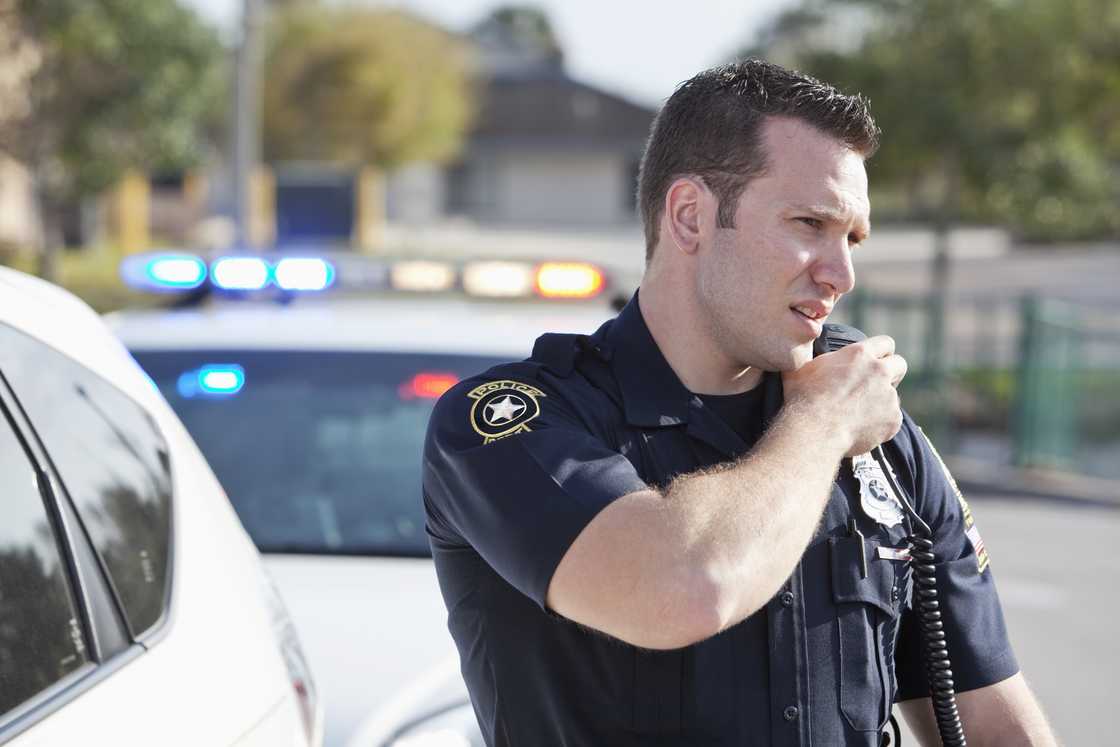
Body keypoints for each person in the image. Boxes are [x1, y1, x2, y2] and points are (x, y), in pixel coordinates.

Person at [422, 59, 1056, 746]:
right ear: (690, 216)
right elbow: (684, 586)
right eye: (809, 223)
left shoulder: (881, 441)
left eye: (851, 239)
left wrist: (832, 417)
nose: (841, 274)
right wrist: (821, 420)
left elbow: (997, 724)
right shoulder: (508, 421)